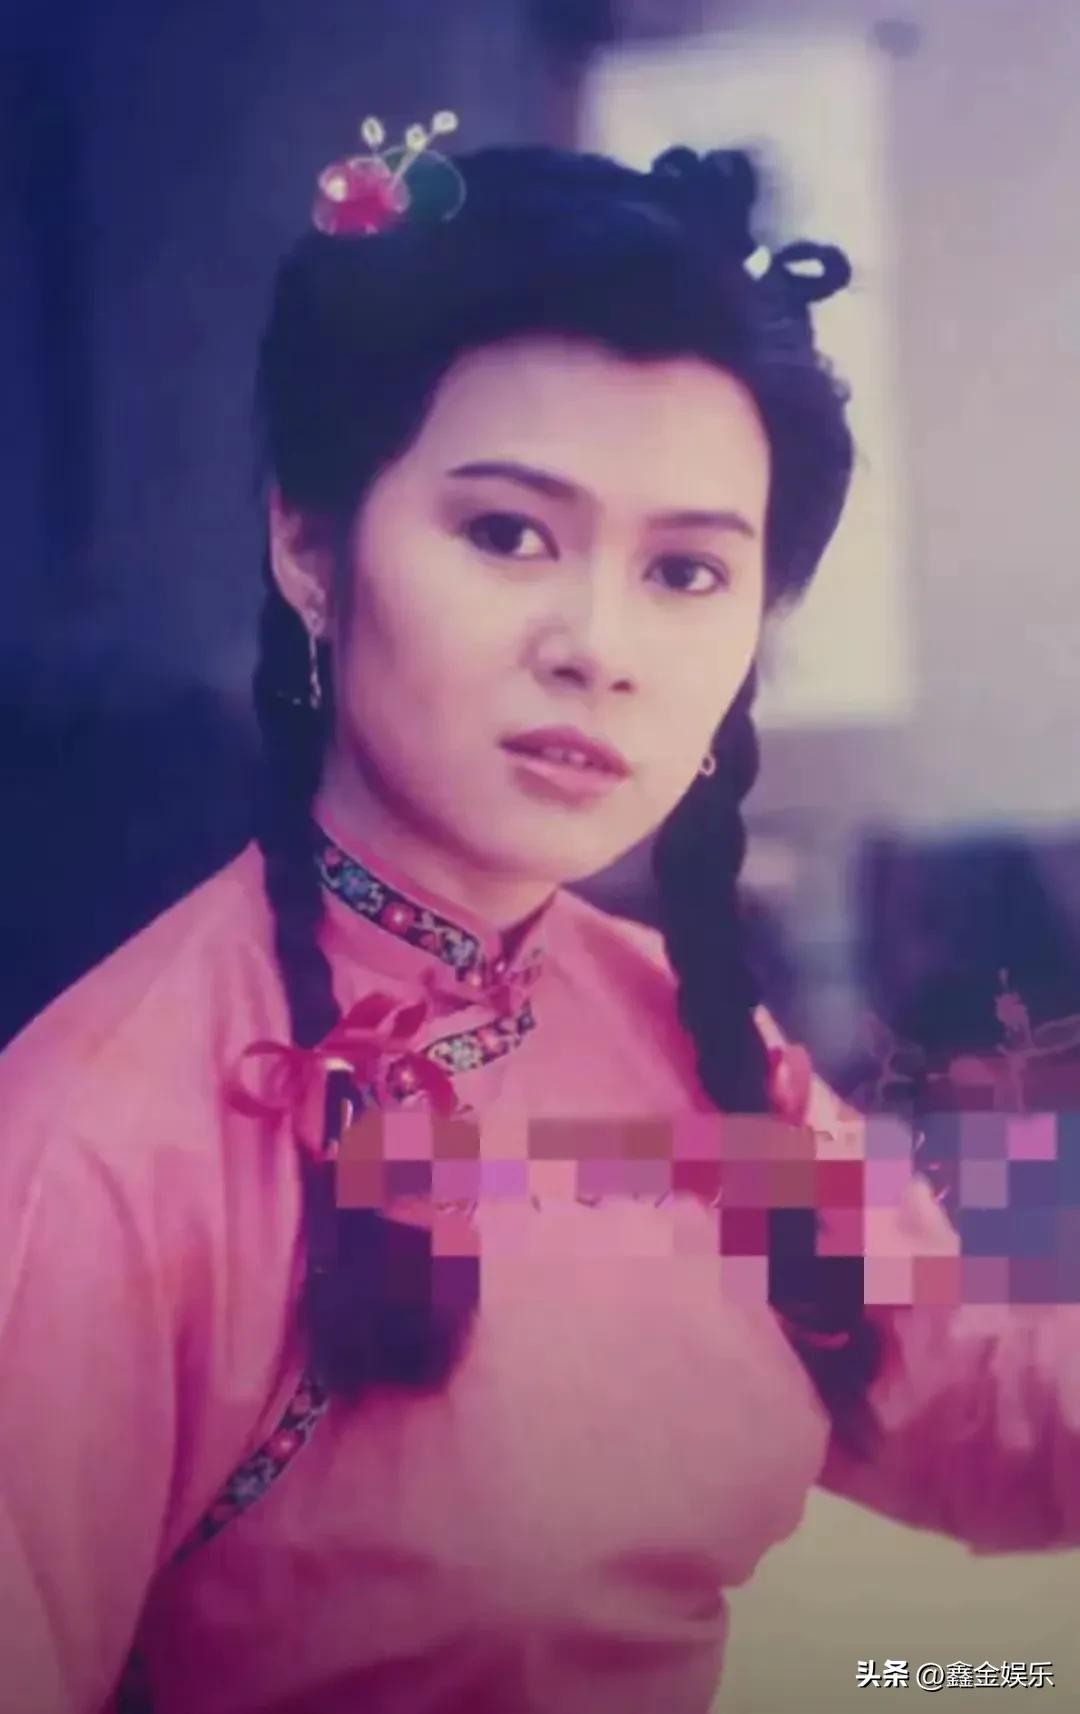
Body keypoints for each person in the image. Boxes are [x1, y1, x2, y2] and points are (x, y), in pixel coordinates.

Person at [1, 114, 1077, 1714]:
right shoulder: (89, 1161)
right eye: (508, 533)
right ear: (309, 541)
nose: (598, 646)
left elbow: (982, 1399)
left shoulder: (691, 1039)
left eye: (687, 571)